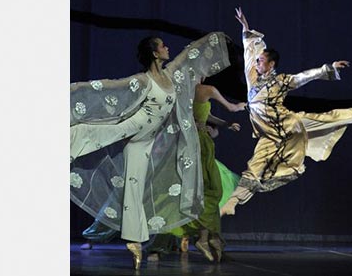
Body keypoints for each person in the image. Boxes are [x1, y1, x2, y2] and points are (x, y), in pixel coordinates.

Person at [69, 32, 231, 270]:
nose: (168, 48)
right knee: (92, 132)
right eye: (163, 46)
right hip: (131, 127)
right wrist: (74, 89)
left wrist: (217, 39)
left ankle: (134, 242)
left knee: (134, 187)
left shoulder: (169, 76)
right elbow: (109, 87)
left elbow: (189, 55)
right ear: (155, 53)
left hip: (144, 142)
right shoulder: (143, 80)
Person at [220, 7, 352, 216]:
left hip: (289, 124)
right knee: (254, 166)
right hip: (269, 135)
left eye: (261, 61)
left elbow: (304, 76)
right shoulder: (252, 77)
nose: (257, 62)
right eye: (258, 61)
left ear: (271, 65)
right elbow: (250, 52)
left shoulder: (282, 81)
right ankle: (233, 203)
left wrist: (329, 67)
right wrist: (245, 28)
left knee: (326, 118)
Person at [174, 81, 245, 261]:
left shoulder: (185, 88)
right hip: (199, 144)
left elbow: (205, 114)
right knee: (211, 191)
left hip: (190, 142)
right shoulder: (207, 89)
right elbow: (232, 107)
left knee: (202, 191)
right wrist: (240, 106)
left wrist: (225, 124)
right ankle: (204, 237)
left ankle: (205, 236)